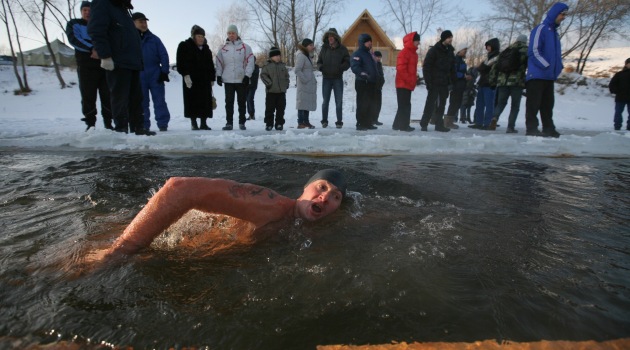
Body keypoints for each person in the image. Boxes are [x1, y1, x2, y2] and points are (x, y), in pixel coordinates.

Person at [95, 169, 347, 258]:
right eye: (321, 187)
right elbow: (180, 188)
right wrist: (121, 250)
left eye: (335, 196)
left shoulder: (318, 226)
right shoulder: (269, 204)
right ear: (304, 189)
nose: (324, 197)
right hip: (169, 242)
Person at [87, 0, 155, 136]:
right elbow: (96, 29)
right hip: (118, 61)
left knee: (136, 98)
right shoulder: (103, 4)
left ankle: (138, 127)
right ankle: (121, 129)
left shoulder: (123, 9)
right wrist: (105, 55)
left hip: (133, 62)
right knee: (120, 97)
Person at [65, 1, 112, 131]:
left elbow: (108, 40)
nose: (87, 12)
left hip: (104, 64)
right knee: (88, 96)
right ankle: (90, 124)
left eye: (90, 10)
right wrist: (92, 48)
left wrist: (102, 51)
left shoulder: (102, 25)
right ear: (81, 12)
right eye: (85, 10)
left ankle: (108, 123)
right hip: (86, 65)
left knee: (107, 95)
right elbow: (74, 39)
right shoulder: (74, 24)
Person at [525, 2, 569, 138]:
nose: (563, 17)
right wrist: (546, 65)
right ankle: (531, 128)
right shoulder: (540, 29)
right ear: (555, 13)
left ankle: (548, 128)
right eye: (562, 14)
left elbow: (555, 55)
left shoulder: (554, 34)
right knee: (534, 104)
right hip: (537, 75)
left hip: (549, 76)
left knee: (547, 105)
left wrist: (558, 68)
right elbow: (533, 51)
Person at [133, 12, 171, 132]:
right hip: (138, 74)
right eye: (141, 22)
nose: (144, 24)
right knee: (142, 102)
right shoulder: (131, 39)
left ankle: (163, 124)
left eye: (145, 22)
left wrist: (164, 71)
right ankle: (144, 125)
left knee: (159, 100)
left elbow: (163, 55)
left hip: (155, 73)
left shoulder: (154, 39)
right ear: (133, 23)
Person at [215, 24, 255, 131]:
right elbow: (219, 63)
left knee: (241, 102)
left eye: (233, 33)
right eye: (229, 33)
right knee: (229, 102)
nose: (231, 35)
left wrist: (247, 75)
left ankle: (242, 122)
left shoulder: (245, 47)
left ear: (237, 34)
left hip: (241, 79)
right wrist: (218, 75)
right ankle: (229, 123)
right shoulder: (223, 49)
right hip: (228, 80)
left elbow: (250, 62)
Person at [176, 25, 216, 131]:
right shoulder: (184, 46)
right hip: (191, 79)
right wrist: (185, 74)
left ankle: (203, 123)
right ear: (193, 36)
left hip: (204, 79)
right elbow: (180, 62)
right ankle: (194, 123)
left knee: (205, 101)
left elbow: (210, 65)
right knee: (192, 100)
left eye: (202, 36)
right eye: (199, 36)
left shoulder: (207, 49)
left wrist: (212, 78)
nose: (201, 38)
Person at [489, 34, 528, 133]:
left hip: (502, 82)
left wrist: (493, 80)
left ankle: (494, 117)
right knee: (515, 105)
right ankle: (510, 127)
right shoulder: (526, 50)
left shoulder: (506, 50)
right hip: (516, 82)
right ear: (525, 41)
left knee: (501, 103)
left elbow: (495, 66)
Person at [420, 30, 456, 132]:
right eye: (449, 38)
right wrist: (428, 82)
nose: (450, 40)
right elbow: (426, 67)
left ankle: (439, 125)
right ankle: (424, 123)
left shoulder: (450, 52)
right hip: (434, 82)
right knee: (430, 103)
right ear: (444, 38)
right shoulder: (434, 50)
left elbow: (453, 68)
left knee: (442, 104)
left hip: (444, 83)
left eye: (451, 38)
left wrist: (453, 81)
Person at [316, 28, 350, 129]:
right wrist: (321, 68)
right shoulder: (324, 48)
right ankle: (324, 121)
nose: (330, 38)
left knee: (339, 101)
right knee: (325, 101)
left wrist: (341, 68)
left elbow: (348, 62)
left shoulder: (342, 49)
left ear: (335, 37)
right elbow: (319, 62)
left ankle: (339, 122)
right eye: (329, 36)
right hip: (326, 79)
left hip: (337, 79)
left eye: (332, 36)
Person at [350, 33, 381, 131]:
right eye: (368, 41)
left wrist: (377, 77)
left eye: (370, 41)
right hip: (362, 82)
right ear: (362, 42)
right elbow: (355, 66)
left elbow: (373, 67)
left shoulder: (369, 54)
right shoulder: (357, 54)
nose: (370, 43)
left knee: (370, 104)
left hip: (371, 83)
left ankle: (368, 123)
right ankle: (360, 123)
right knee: (362, 103)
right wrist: (363, 74)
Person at [469, 38, 500, 130]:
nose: (487, 48)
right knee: (480, 104)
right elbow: (482, 67)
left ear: (494, 46)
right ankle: (478, 122)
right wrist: (479, 68)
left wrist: (480, 67)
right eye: (487, 46)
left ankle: (488, 123)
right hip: (483, 83)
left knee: (489, 104)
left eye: (489, 46)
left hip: (490, 83)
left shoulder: (497, 57)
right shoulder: (488, 57)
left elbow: (485, 67)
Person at [392, 31, 420, 132]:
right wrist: (409, 80)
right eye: (417, 41)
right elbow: (401, 69)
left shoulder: (414, 54)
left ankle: (396, 125)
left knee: (404, 104)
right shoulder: (404, 53)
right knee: (404, 105)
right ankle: (404, 126)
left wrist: (414, 79)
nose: (418, 43)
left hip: (408, 83)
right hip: (402, 83)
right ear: (412, 41)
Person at [260, 47, 290, 131]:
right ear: (271, 57)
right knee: (270, 109)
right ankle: (269, 124)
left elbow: (286, 76)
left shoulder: (282, 66)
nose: (278, 57)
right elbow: (263, 75)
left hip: (281, 92)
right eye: (275, 56)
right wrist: (269, 83)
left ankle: (279, 123)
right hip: (271, 91)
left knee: (281, 108)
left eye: (279, 55)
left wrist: (286, 84)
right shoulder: (267, 66)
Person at [444, 45, 470, 129]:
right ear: (459, 51)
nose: (465, 52)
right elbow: (453, 73)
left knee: (457, 103)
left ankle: (449, 121)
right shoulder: (455, 60)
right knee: (454, 102)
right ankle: (448, 122)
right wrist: (464, 76)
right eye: (464, 50)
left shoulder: (461, 61)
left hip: (461, 85)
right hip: (456, 85)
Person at [295, 38, 317, 129]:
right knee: (302, 102)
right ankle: (301, 122)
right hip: (304, 84)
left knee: (306, 102)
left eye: (312, 45)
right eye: (310, 45)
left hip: (308, 84)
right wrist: (305, 80)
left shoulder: (307, 55)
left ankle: (306, 121)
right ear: (306, 46)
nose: (312, 47)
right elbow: (297, 70)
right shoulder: (301, 56)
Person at [609, 58, 630, 131]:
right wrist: (616, 91)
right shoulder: (619, 74)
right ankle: (617, 126)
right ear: (626, 64)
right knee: (618, 112)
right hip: (621, 97)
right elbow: (612, 84)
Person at [373, 50, 385, 126]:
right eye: (377, 57)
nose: (378, 58)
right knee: (372, 104)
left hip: (379, 87)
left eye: (380, 57)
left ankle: (375, 119)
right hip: (373, 87)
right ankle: (371, 119)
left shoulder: (379, 64)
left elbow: (381, 75)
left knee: (378, 104)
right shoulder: (372, 64)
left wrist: (382, 82)